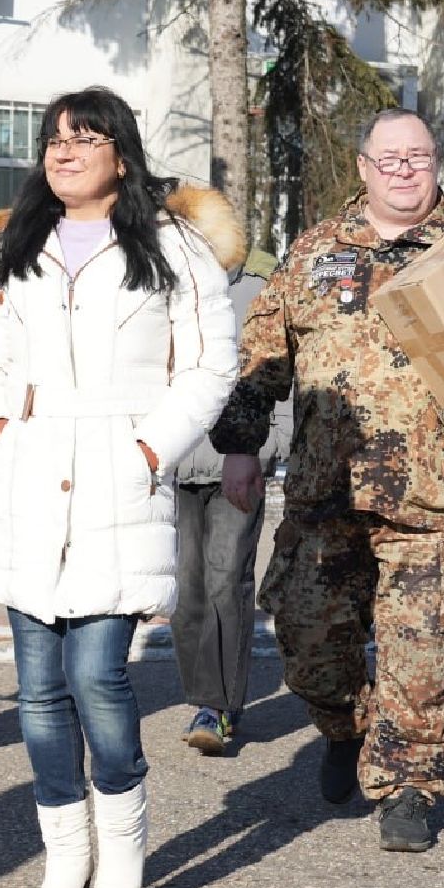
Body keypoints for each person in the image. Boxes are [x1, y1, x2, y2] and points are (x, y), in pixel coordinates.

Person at [212, 108, 444, 853]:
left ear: (436, 163)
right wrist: (239, 446)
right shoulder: (316, 249)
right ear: (364, 167)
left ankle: (409, 789)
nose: (404, 169)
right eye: (390, 158)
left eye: (418, 156)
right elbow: (262, 354)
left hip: (433, 493)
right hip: (325, 491)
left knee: (421, 655)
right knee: (306, 639)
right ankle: (345, 727)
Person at [0, 86, 242, 888]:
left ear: (121, 154)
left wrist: (150, 446)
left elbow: (210, 362)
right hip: (31, 472)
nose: (64, 151)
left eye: (84, 138)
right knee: (37, 688)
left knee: (96, 674)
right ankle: (64, 854)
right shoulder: (14, 245)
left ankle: (120, 842)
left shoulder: (174, 246)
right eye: (54, 139)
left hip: (119, 473)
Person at [171, 249, 292, 756]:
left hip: (237, 465)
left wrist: (265, 448)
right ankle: (204, 695)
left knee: (225, 581)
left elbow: (284, 381)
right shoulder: (165, 283)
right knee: (185, 592)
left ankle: (216, 707)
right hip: (175, 463)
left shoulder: (261, 287)